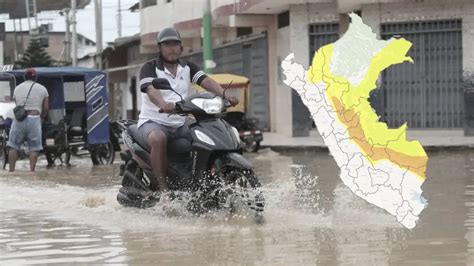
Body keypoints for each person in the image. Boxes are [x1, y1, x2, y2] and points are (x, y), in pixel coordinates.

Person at [138, 27, 238, 198]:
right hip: (153, 121)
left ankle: (203, 180)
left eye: (175, 44)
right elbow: (150, 88)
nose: (172, 48)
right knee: (158, 138)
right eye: (167, 44)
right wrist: (163, 103)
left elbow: (205, 80)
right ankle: (164, 191)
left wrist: (224, 95)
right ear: (159, 48)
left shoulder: (188, 67)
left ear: (181, 48)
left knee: (207, 135)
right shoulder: (150, 67)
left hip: (180, 121)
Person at [7, 68, 49, 172]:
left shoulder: (17, 88)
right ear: (36, 77)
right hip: (34, 120)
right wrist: (41, 117)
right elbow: (46, 107)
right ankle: (31, 172)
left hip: (19, 120)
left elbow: (16, 104)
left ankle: (11, 171)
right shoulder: (43, 89)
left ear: (24, 77)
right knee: (34, 148)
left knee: (13, 146)